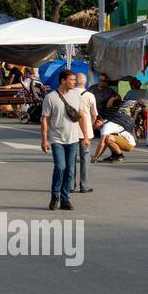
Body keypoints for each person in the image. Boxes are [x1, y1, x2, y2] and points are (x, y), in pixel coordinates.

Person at [40, 69, 91, 211]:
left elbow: (81, 116)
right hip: (57, 139)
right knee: (60, 167)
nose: (75, 82)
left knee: (70, 170)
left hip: (73, 139)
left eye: (75, 80)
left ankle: (65, 199)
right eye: (72, 80)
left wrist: (85, 137)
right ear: (63, 81)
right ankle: (55, 195)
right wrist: (45, 140)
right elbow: (45, 119)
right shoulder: (50, 98)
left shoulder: (76, 95)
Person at [72, 73, 100, 195]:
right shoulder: (89, 95)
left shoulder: (69, 94)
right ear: (85, 83)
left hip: (71, 131)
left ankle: (70, 185)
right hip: (86, 132)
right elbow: (94, 115)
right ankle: (85, 185)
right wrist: (91, 125)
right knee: (85, 158)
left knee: (71, 159)